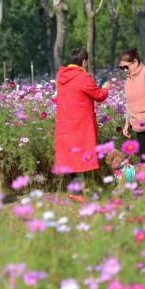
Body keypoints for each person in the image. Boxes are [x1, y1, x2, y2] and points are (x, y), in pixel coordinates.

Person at [54, 48, 110, 202]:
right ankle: (79, 193)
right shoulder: (83, 77)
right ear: (84, 61)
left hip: (66, 125)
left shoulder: (61, 77)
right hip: (80, 125)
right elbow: (99, 96)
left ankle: (75, 192)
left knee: (71, 157)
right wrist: (105, 88)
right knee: (82, 156)